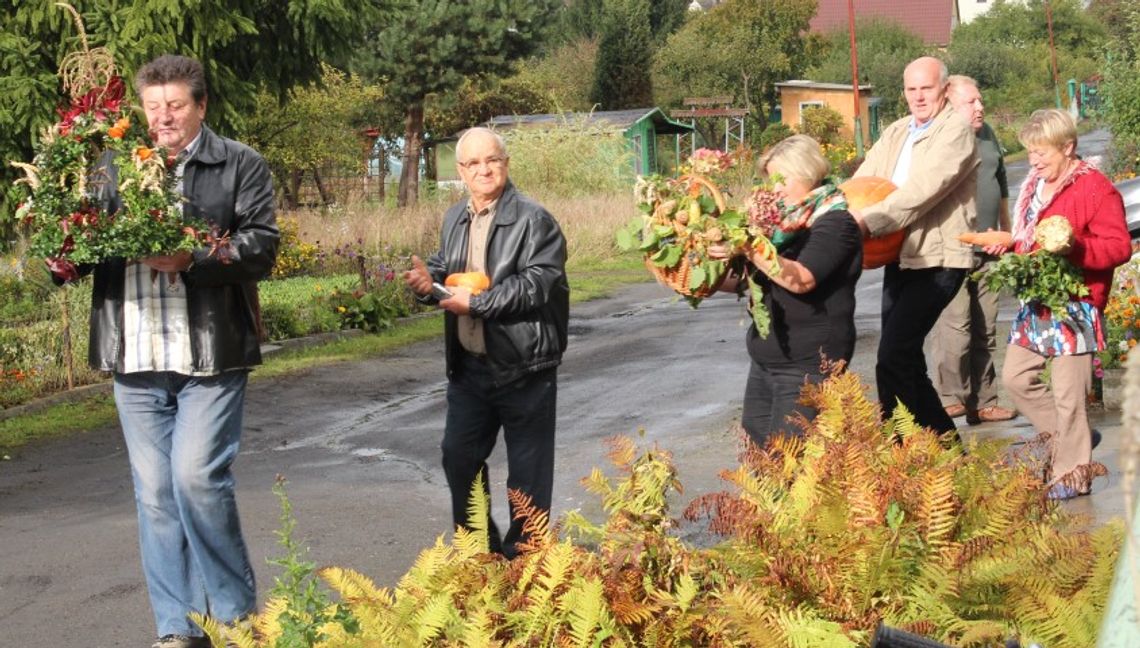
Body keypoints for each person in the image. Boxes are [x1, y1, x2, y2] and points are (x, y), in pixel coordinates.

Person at [49, 55, 279, 648]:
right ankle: (178, 629)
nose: (163, 118)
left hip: (211, 355)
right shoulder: (111, 165)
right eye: (153, 108)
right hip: (135, 356)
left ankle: (232, 619)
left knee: (197, 480)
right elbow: (81, 236)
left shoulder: (239, 163)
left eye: (175, 105)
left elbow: (261, 246)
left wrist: (196, 260)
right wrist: (64, 258)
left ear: (200, 105)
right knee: (154, 495)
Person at [403, 127, 569, 559]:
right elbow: (445, 268)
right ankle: (481, 554)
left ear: (506, 163)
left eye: (491, 160)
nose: (483, 170)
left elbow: (537, 284)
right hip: (470, 368)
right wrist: (428, 284)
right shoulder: (455, 217)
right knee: (458, 458)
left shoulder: (535, 220)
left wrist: (477, 303)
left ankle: (527, 566)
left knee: (527, 477)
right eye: (473, 163)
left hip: (524, 366)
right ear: (460, 171)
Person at [993, 109, 1130, 500]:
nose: (1034, 161)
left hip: (1076, 303)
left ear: (1068, 147)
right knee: (1016, 378)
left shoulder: (1095, 189)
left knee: (1071, 397)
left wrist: (1076, 247)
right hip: (1037, 300)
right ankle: (1075, 440)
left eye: (1042, 152)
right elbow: (1029, 240)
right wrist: (1009, 245)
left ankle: (1073, 475)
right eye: (1030, 152)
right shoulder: (1034, 188)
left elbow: (1119, 246)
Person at [851, 56, 979, 437]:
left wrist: (865, 222)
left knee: (893, 356)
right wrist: (831, 212)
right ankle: (942, 453)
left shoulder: (954, 131)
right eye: (912, 89)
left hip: (939, 259)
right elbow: (863, 181)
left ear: (943, 89)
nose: (919, 96)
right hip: (901, 256)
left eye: (927, 88)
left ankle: (906, 447)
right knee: (901, 359)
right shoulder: (896, 132)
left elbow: (922, 190)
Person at [709, 134, 863, 447]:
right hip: (768, 360)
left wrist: (750, 247)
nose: (775, 189)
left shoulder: (835, 223)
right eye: (771, 180)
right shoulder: (779, 229)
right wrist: (702, 281)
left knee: (791, 466)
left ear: (807, 173)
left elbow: (802, 278)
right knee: (759, 463)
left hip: (809, 365)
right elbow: (747, 281)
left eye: (783, 179)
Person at [933, 75, 1017, 425]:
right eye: (972, 102)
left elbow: (1000, 185)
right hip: (950, 249)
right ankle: (950, 398)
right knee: (956, 325)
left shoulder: (988, 134)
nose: (980, 107)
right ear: (951, 105)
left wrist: (1007, 231)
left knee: (985, 324)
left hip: (989, 249)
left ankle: (984, 401)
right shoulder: (938, 139)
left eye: (980, 100)